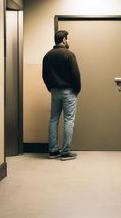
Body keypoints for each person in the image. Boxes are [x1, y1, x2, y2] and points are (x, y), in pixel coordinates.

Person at [42, 30, 81, 161]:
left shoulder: (47, 55)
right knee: (69, 120)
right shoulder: (69, 54)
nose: (68, 41)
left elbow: (45, 75)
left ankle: (53, 151)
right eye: (68, 39)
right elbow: (76, 74)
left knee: (53, 120)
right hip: (69, 91)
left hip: (54, 91)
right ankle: (65, 152)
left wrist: (51, 88)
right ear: (64, 40)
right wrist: (77, 90)